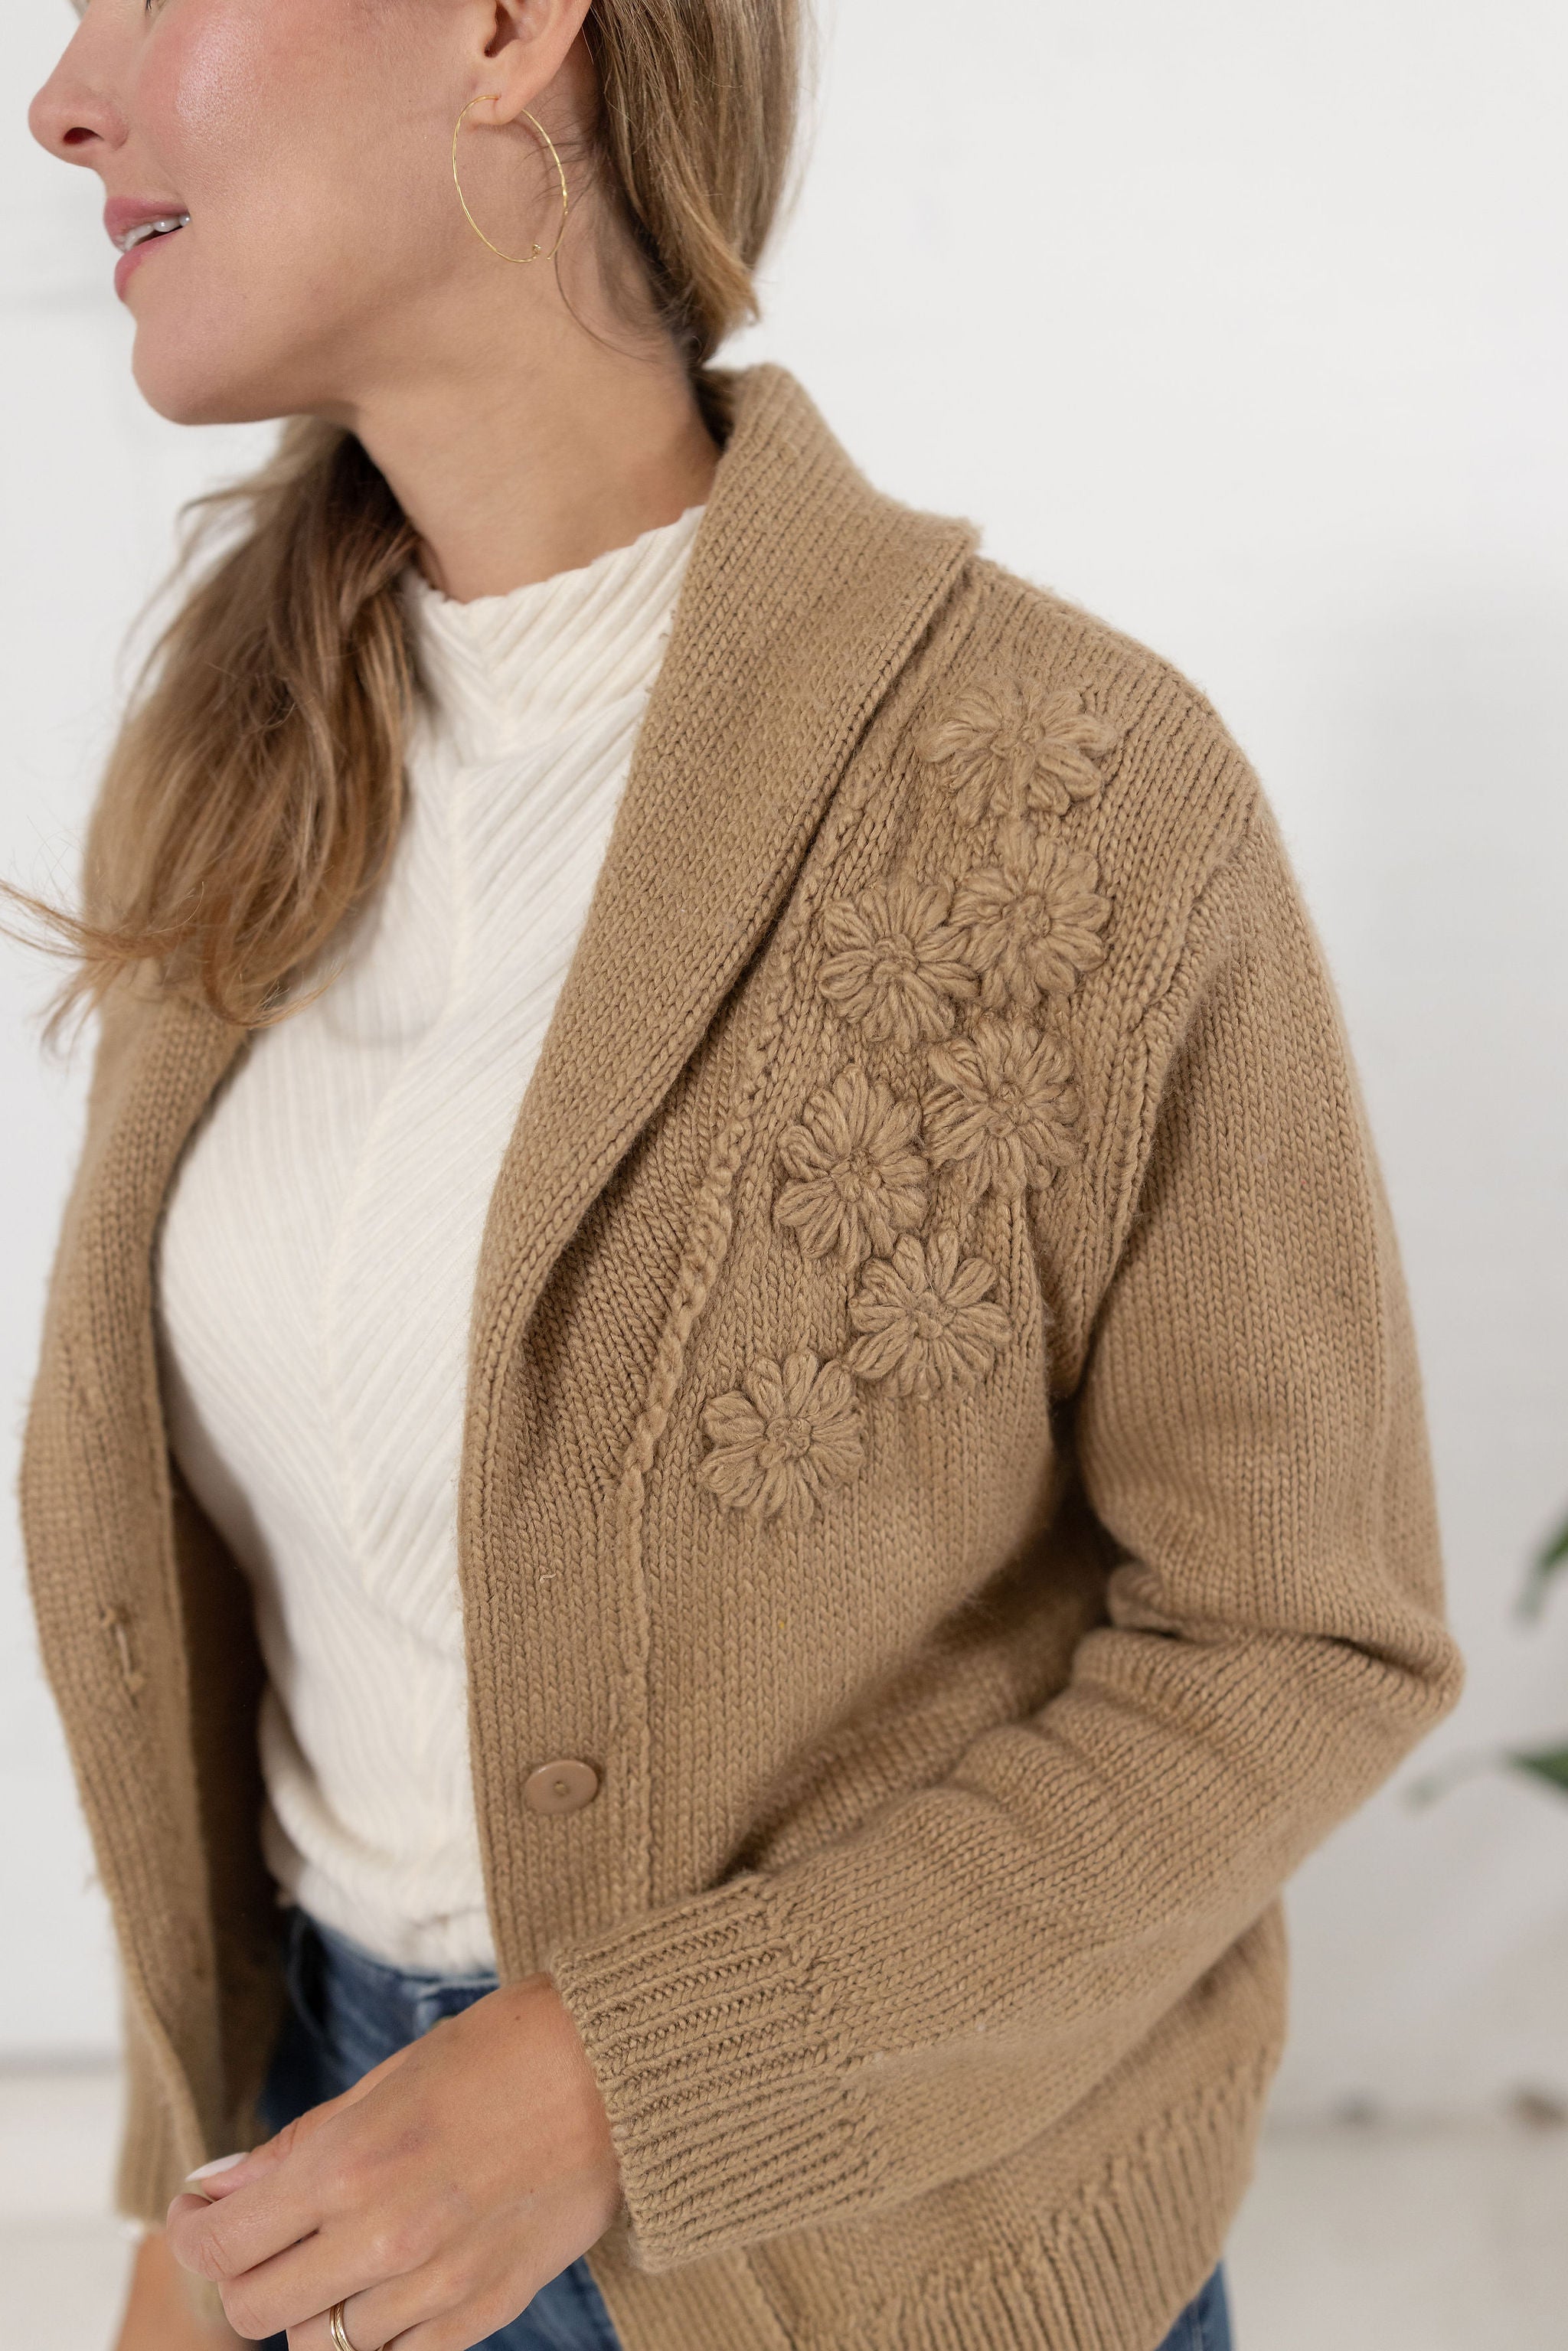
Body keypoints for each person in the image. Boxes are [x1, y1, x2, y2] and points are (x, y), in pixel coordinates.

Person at [20, 2, 1464, 2348]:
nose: (65, 100)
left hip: (896, 2256)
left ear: (513, 29)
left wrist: (612, 2087)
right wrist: (202, 2215)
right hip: (332, 2184)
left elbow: (1303, 1639)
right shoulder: (231, 758)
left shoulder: (1076, 788)